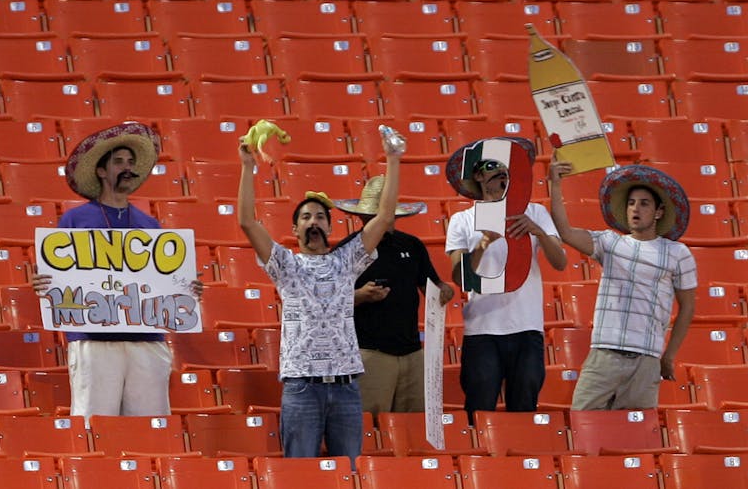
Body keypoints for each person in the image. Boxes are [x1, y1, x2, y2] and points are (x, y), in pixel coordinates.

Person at [237, 128, 403, 465]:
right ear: (295, 229)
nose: (313, 221)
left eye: (321, 217)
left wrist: (393, 159)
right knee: (300, 475)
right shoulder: (284, 264)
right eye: (306, 217)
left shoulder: (347, 260)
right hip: (301, 388)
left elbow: (384, 217)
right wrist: (246, 167)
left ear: (330, 228)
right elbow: (247, 222)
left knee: (349, 472)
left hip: (345, 388)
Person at [32, 122, 203, 420]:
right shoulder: (74, 220)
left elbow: (166, 281)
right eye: (118, 162)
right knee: (93, 422)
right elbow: (57, 276)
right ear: (101, 171)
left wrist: (186, 289)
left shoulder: (151, 226)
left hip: (147, 339)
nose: (127, 168)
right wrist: (44, 282)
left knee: (151, 427)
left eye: (130, 162)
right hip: (93, 339)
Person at [548, 159, 697, 411]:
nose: (635, 208)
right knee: (583, 423)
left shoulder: (678, 252)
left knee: (636, 437)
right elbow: (565, 232)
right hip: (604, 354)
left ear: (659, 212)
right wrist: (555, 185)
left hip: (646, 359)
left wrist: (668, 355)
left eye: (644, 203)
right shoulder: (610, 243)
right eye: (631, 203)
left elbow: (687, 307)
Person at [444, 137, 567, 420]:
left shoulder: (535, 212)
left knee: (524, 410)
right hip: (482, 330)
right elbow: (461, 277)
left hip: (527, 329)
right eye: (491, 165)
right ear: (477, 175)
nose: (500, 171)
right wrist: (484, 242)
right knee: (479, 409)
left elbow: (560, 262)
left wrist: (537, 231)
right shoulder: (462, 220)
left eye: (506, 165)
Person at [334, 176, 455, 417]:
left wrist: (445, 290)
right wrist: (359, 296)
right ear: (362, 218)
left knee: (415, 422)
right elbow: (328, 302)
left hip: (412, 352)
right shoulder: (347, 249)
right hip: (370, 352)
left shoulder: (412, 245)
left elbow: (432, 284)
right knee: (371, 424)